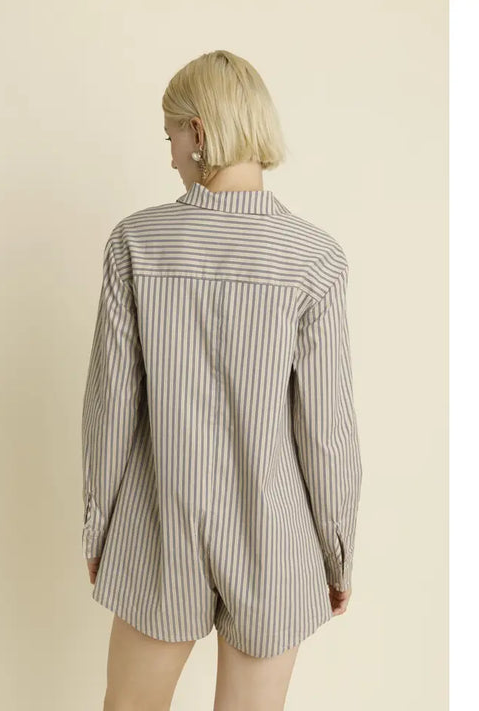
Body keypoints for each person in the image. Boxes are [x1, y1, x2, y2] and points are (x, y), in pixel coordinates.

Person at [81, 49, 363, 711]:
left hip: (157, 524)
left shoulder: (136, 242)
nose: (171, 157)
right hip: (274, 535)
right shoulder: (314, 258)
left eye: (170, 138)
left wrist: (98, 528)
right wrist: (337, 552)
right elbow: (327, 433)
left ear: (199, 132)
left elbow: (109, 409)